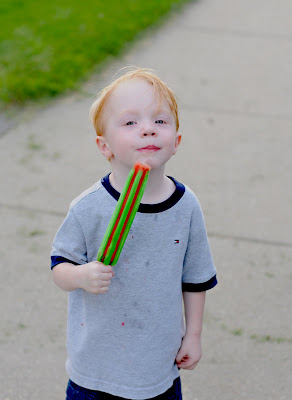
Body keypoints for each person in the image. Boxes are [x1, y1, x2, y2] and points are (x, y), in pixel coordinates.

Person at [51, 68, 217, 400]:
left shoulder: (185, 207)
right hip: (95, 372)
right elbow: (59, 269)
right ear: (104, 146)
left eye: (160, 121)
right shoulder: (89, 208)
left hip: (159, 369)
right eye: (130, 123)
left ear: (176, 142)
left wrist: (193, 335)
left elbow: (196, 278)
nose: (147, 130)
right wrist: (82, 275)